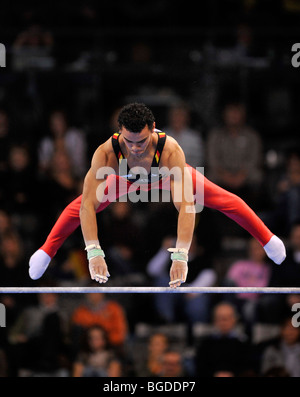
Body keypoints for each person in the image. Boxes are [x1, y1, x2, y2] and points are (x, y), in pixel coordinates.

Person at [29, 103, 286, 288]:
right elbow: (86, 206)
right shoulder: (106, 152)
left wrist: (181, 255)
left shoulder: (170, 150)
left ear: (152, 129)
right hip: (124, 180)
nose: (135, 148)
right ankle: (46, 251)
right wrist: (94, 251)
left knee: (227, 201)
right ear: (120, 132)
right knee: (75, 207)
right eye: (129, 142)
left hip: (167, 176)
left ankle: (267, 238)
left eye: (141, 142)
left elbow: (186, 206)